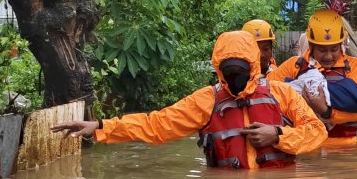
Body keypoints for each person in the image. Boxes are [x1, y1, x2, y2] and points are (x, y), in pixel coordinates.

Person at [51, 31, 328, 169]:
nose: (235, 79)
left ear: (254, 66)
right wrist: (101, 127)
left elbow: (316, 132)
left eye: (241, 71)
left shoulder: (282, 93)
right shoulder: (207, 101)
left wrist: (278, 135)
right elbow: (157, 125)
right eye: (229, 72)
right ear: (218, 69)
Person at [269, 8, 357, 145]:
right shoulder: (293, 66)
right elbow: (268, 96)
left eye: (334, 49)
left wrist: (326, 111)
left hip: (346, 149)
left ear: (341, 44)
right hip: (305, 146)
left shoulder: (355, 67)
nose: (328, 56)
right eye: (322, 50)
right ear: (311, 46)